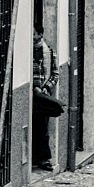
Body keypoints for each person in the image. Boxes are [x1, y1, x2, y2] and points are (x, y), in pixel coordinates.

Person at [32, 24, 59, 171]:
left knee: (42, 127)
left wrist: (45, 88)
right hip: (30, 94)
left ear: (40, 35)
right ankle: (35, 158)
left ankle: (43, 159)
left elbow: (55, 74)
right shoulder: (26, 52)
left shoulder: (48, 52)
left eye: (34, 33)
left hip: (43, 95)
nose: (32, 36)